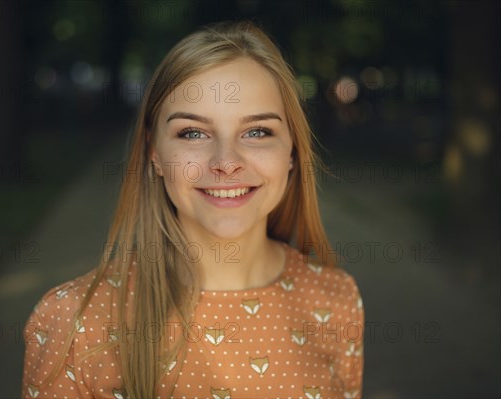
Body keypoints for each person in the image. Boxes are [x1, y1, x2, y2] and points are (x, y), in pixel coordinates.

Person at [21, 20, 364, 399]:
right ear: (154, 154)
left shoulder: (337, 300)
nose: (226, 162)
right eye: (193, 133)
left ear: (292, 153)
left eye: (257, 132)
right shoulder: (72, 321)